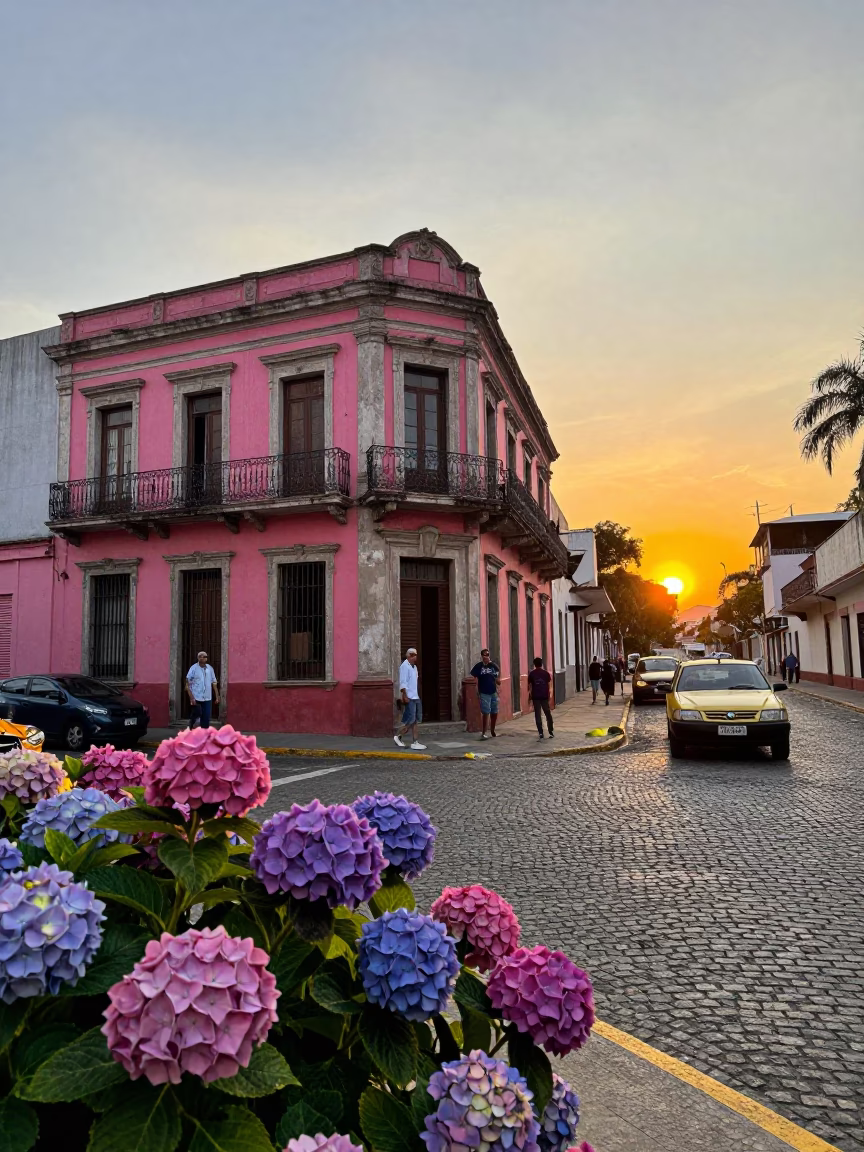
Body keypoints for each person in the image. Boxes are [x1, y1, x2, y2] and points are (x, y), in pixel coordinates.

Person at [394, 647, 426, 750]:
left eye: (415, 655)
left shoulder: (414, 668)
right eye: (412, 655)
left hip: (415, 696)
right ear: (408, 656)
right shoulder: (404, 666)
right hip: (410, 697)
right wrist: (404, 695)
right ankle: (398, 736)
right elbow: (403, 682)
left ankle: (415, 742)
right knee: (411, 720)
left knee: (415, 720)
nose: (414, 657)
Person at [470, 648, 501, 739]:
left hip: (493, 691)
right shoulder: (479, 666)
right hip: (483, 692)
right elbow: (475, 678)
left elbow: (498, 679)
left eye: (487, 655)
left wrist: (497, 681)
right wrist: (476, 689)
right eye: (484, 655)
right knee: (486, 712)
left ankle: (492, 730)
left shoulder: (493, 666)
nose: (486, 657)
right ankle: (484, 732)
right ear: (482, 656)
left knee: (494, 711)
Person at [186, 651, 219, 729]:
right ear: (198, 658)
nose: (202, 658)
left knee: (206, 717)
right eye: (200, 656)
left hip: (207, 697)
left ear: (206, 658)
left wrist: (217, 696)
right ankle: (191, 729)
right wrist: (191, 697)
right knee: (196, 714)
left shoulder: (210, 668)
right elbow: (187, 684)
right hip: (196, 697)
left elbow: (214, 682)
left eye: (204, 656)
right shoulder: (193, 668)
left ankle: (204, 734)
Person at [527, 657, 554, 739]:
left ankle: (541, 732)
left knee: (537, 715)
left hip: (536, 697)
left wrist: (530, 696)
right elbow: (550, 685)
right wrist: (550, 694)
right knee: (548, 714)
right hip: (544, 696)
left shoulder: (532, 674)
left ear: (534, 665)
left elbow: (530, 686)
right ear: (541, 664)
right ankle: (550, 731)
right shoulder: (546, 673)